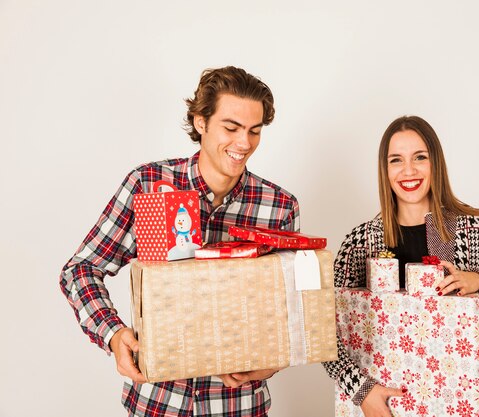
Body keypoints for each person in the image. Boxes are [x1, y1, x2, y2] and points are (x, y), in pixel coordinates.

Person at [59, 66, 299, 417]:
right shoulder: (148, 184)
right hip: (159, 402)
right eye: (231, 128)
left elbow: (290, 308)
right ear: (200, 121)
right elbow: (80, 270)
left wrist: (275, 361)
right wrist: (113, 334)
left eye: (254, 130)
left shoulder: (278, 206)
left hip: (238, 405)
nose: (244, 143)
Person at [322, 115, 479, 417]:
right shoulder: (361, 241)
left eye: (420, 157)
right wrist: (361, 392)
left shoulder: (476, 228)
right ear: (384, 170)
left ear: (435, 163)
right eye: (396, 160)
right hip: (382, 405)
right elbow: (323, 329)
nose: (408, 170)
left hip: (456, 401)